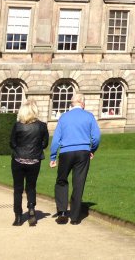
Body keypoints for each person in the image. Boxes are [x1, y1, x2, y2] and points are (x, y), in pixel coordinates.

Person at [49, 93, 101, 225]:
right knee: (79, 183)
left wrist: (53, 156)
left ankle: (61, 212)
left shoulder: (64, 117)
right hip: (83, 152)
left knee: (61, 180)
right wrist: (92, 150)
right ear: (82, 103)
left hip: (66, 152)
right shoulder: (89, 116)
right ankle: (75, 217)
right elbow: (96, 137)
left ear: (72, 103)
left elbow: (56, 139)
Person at [9, 100, 49, 227]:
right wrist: (36, 148)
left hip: (18, 160)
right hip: (34, 160)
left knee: (18, 189)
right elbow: (45, 143)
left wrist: (20, 148)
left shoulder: (17, 126)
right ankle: (31, 209)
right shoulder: (42, 126)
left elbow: (12, 143)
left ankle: (18, 217)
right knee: (31, 187)